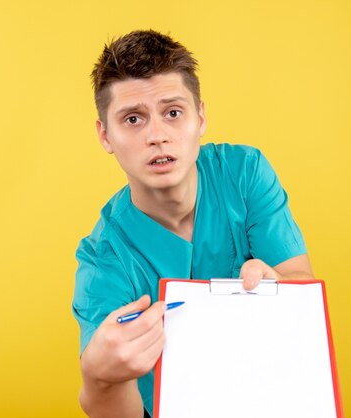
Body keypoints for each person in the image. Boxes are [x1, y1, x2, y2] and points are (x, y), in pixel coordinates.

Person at [73, 29, 315, 418]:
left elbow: (301, 283)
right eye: (133, 119)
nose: (157, 136)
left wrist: (280, 291)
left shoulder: (245, 173)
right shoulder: (104, 258)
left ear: (200, 116)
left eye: (173, 113)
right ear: (105, 135)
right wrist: (101, 378)